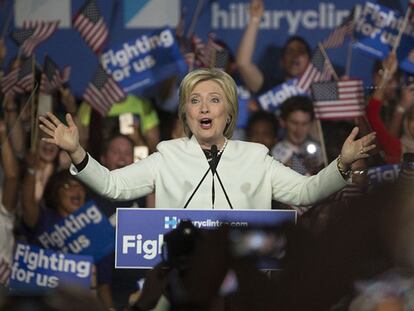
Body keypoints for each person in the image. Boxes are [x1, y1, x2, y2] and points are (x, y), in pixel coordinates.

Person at [39, 68, 376, 210]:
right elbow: (113, 186)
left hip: (242, 276)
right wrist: (77, 152)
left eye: (214, 99)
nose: (204, 107)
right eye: (195, 100)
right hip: (183, 278)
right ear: (185, 113)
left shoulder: (255, 156)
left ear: (228, 114)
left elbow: (307, 191)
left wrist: (343, 164)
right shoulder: (167, 156)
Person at [236, 0, 311, 94]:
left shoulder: (319, 92)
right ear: (282, 62)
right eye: (290, 52)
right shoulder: (271, 87)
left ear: (309, 62)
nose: (295, 55)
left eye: (301, 51)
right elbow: (243, 64)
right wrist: (255, 18)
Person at [272, 96, 323, 175]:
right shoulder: (276, 152)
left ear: (311, 124)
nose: (299, 130)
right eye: (294, 123)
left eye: (304, 123)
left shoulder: (319, 148)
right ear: (283, 122)